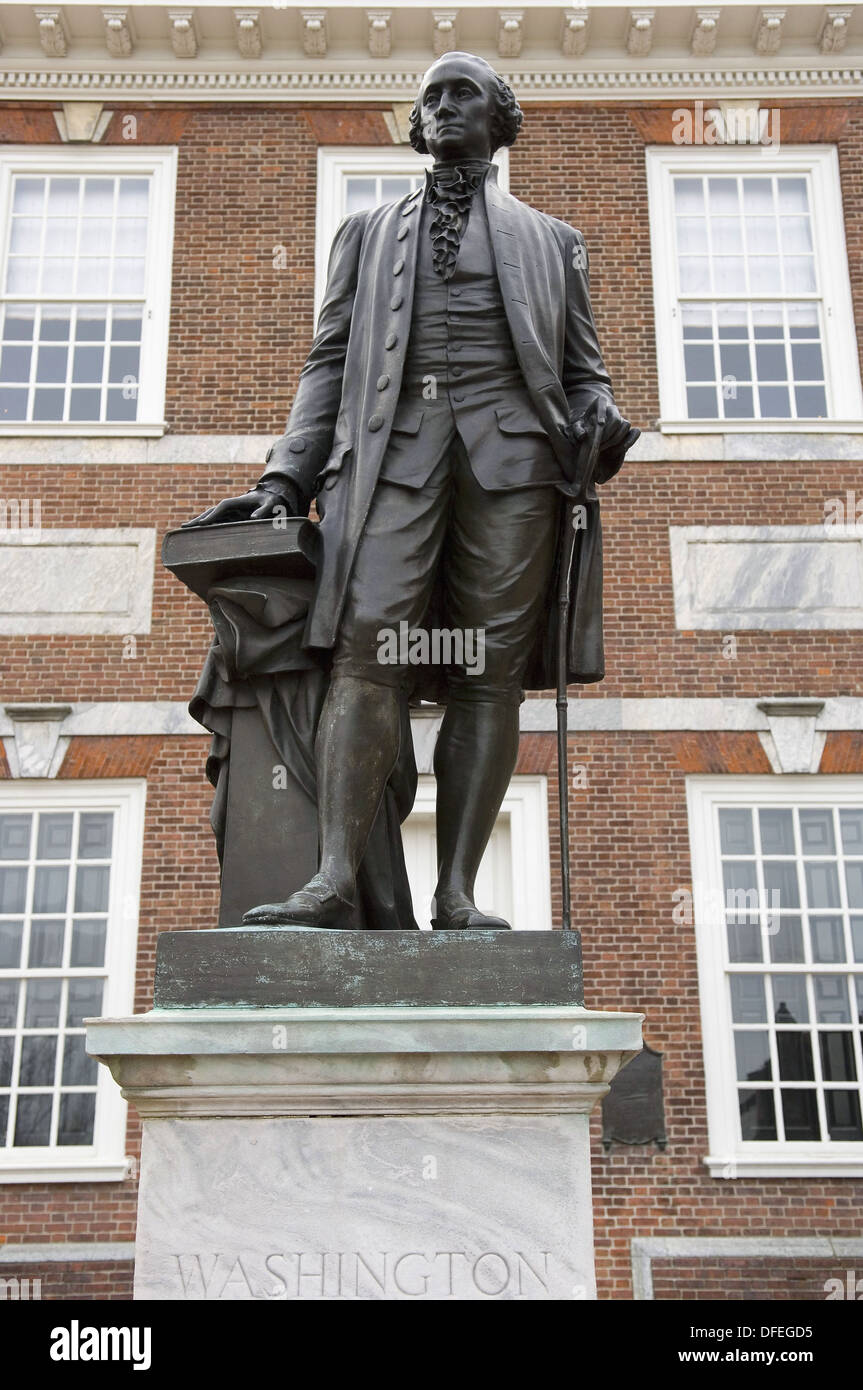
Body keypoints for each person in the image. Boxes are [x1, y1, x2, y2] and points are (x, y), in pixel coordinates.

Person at [184, 51, 638, 930]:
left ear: (499, 119)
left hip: (513, 471)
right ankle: (333, 878)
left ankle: (456, 894)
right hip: (388, 465)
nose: (442, 107)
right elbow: (326, 363)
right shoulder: (364, 234)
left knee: (488, 676)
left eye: (463, 93)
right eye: (430, 97)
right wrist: (285, 476)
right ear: (418, 125)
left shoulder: (553, 241)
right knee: (366, 654)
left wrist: (601, 419)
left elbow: (584, 374)